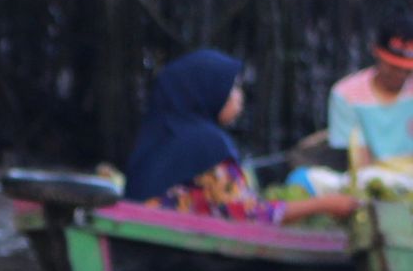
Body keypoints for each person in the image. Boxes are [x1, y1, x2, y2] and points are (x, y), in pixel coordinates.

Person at [124, 49, 357, 223]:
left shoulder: (153, 139)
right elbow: (251, 214)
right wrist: (325, 204)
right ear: (207, 92)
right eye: (231, 88)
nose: (239, 96)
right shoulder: (210, 145)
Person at [323, 14, 413, 211]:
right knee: (302, 178)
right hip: (371, 181)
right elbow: (360, 162)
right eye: (395, 66)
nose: (401, 74)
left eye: (409, 69)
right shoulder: (345, 93)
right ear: (376, 52)